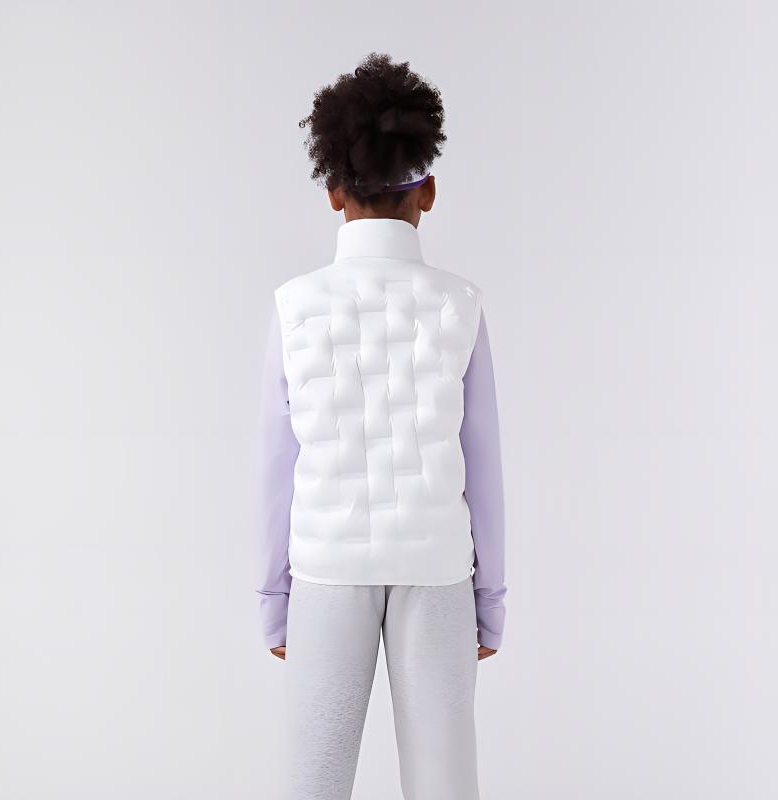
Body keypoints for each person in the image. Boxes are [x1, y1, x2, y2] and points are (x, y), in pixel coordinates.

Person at [255, 52, 507, 800]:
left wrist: (273, 598)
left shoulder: (294, 307)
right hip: (437, 568)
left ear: (334, 191)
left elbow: (274, 465)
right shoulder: (460, 303)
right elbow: (484, 462)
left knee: (313, 781)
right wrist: (490, 600)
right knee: (445, 781)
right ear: (427, 189)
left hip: (326, 567)